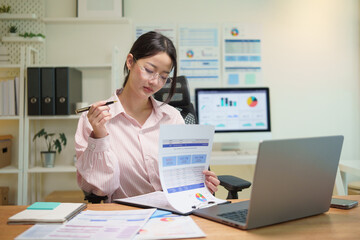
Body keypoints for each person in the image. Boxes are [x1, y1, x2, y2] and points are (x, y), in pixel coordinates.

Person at [75, 31, 220, 202]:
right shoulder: (93, 120)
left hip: (170, 216)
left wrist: (201, 185)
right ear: (130, 62)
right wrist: (99, 136)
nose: (154, 81)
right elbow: (100, 190)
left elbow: (182, 180)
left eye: (164, 77)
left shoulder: (172, 118)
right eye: (149, 70)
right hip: (124, 218)